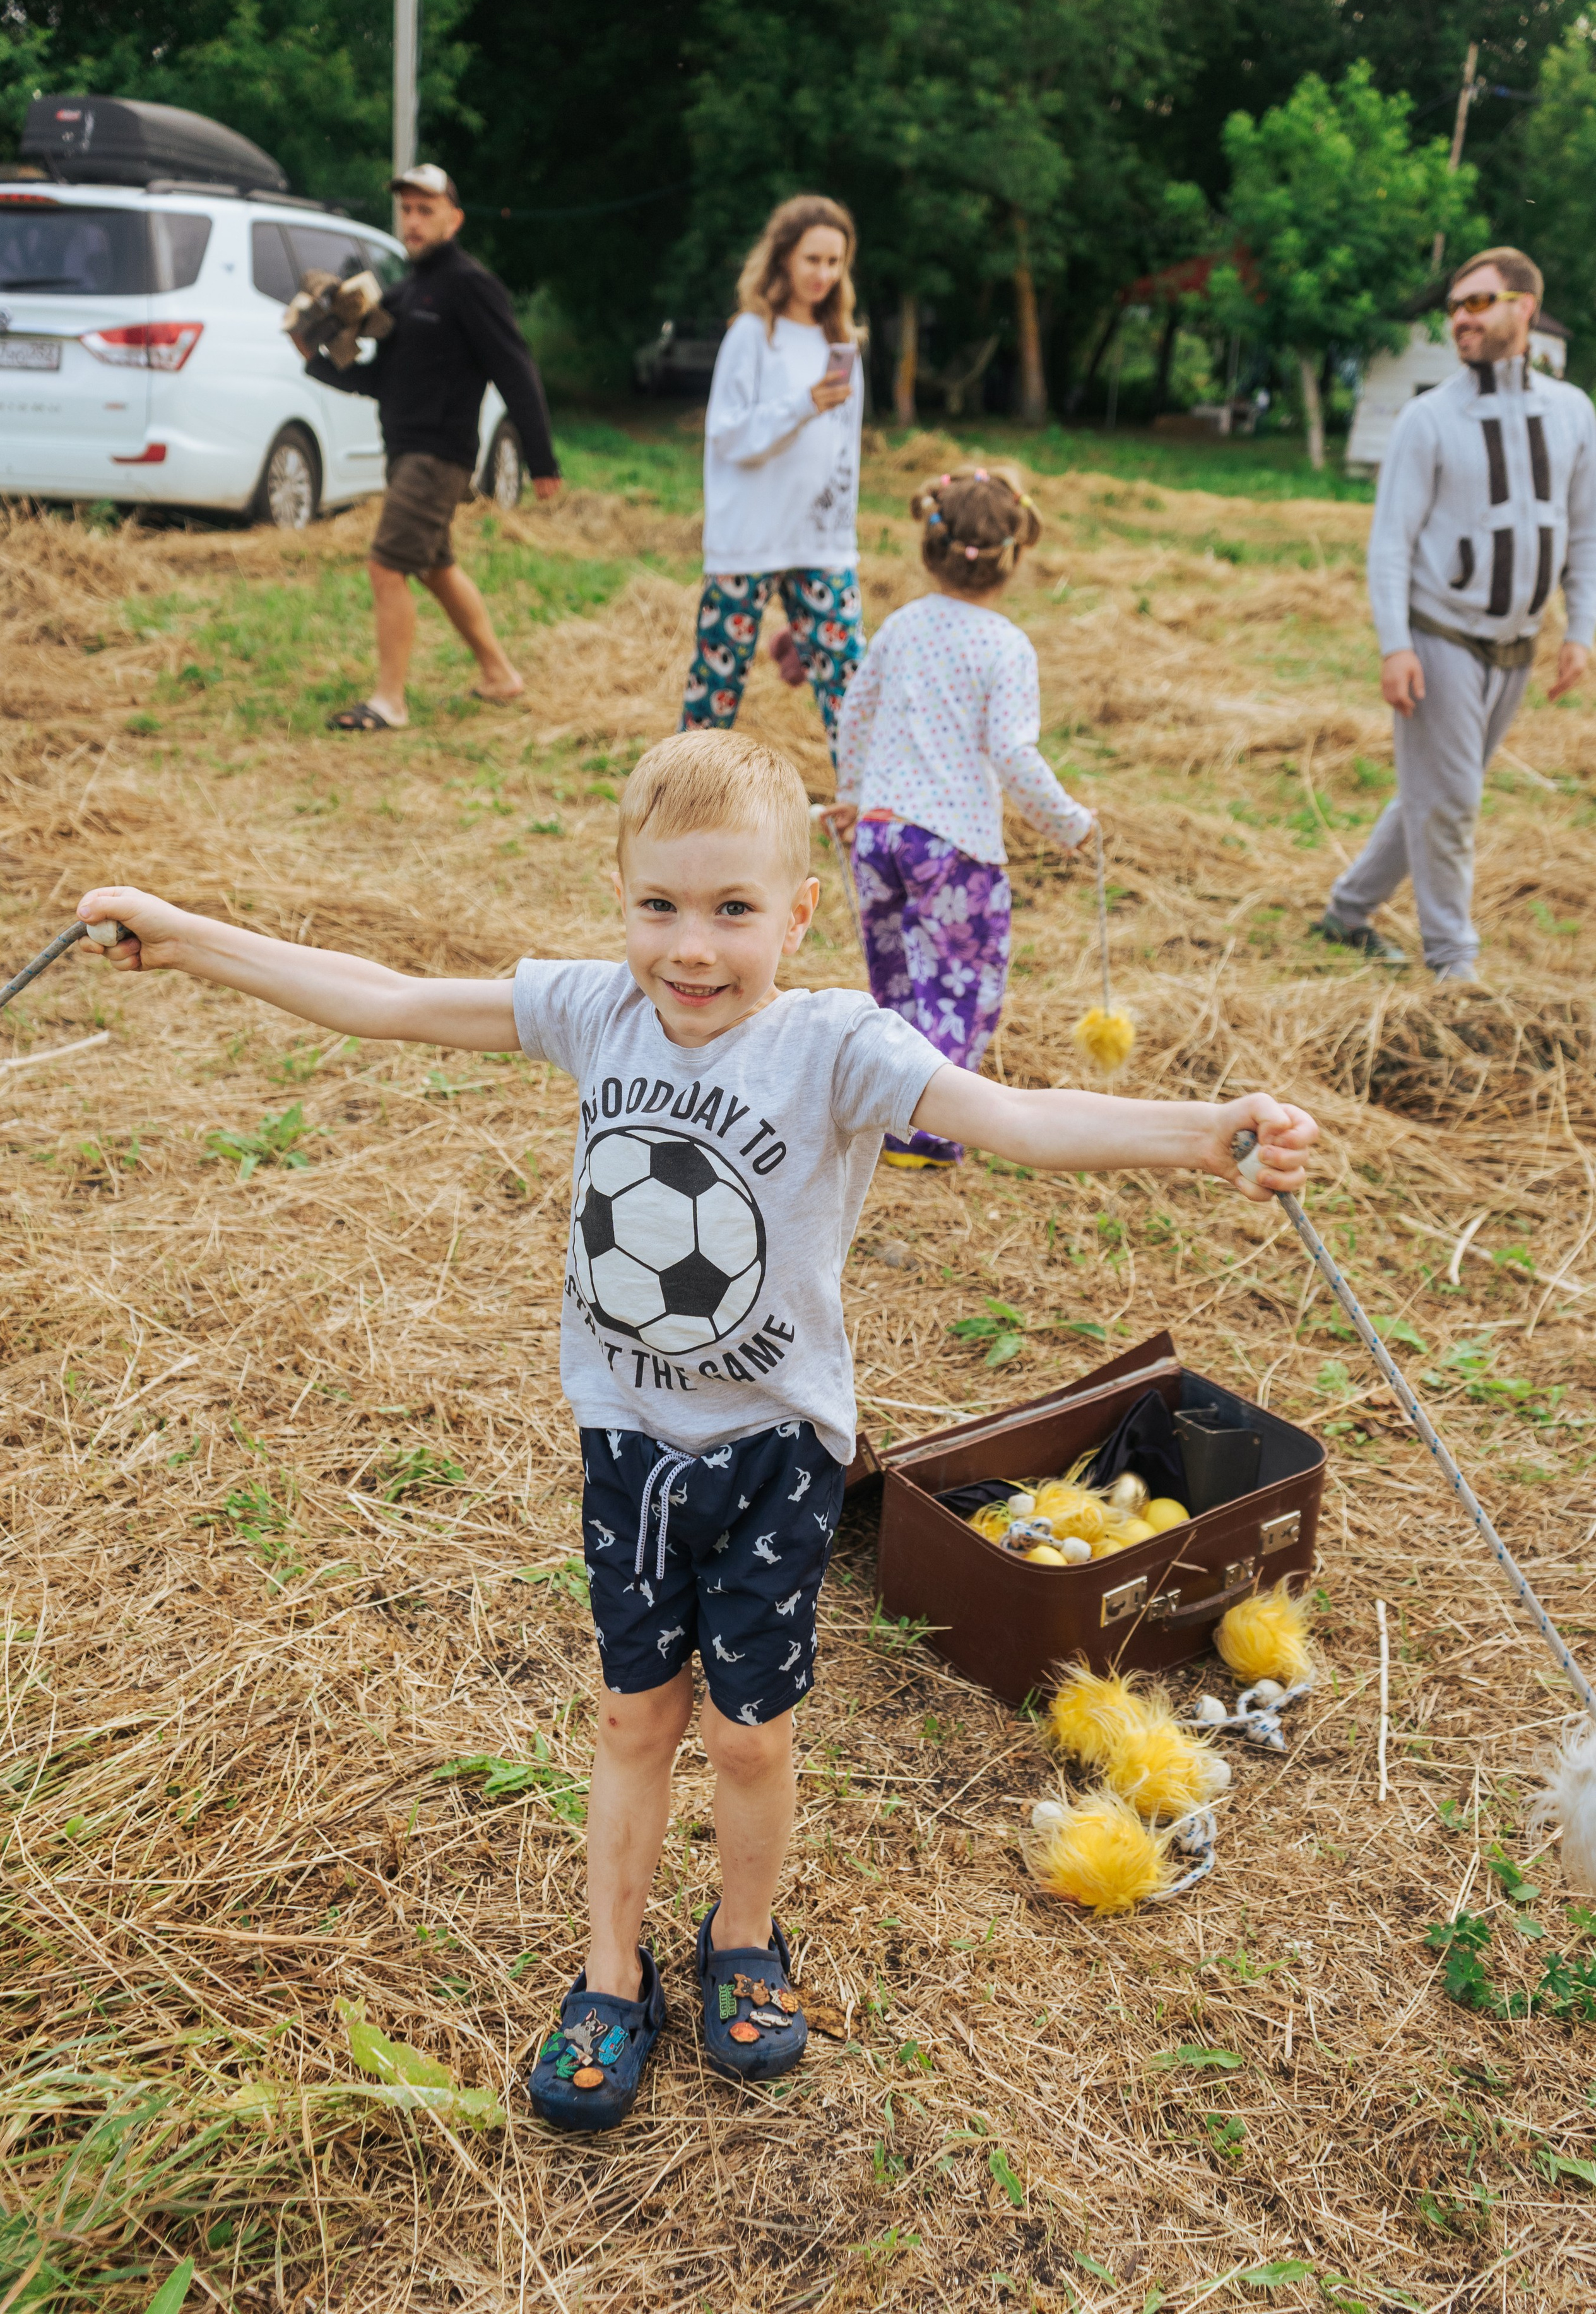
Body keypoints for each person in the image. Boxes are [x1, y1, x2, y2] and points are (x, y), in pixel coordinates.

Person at [74, 734, 1319, 2133]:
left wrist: (1202, 1130)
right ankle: (611, 1974)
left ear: (797, 912)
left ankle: (741, 1943)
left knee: (743, 1740)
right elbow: (388, 998)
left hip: (775, 1453)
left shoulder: (832, 1043)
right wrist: (187, 940)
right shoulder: (597, 1013)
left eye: (732, 910)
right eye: (658, 906)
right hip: (629, 1445)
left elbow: (1014, 1115)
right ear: (619, 902)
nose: (691, 948)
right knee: (629, 1716)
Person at [1315, 244, 1596, 985]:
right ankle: (1453, 963)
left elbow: (1586, 528)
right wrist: (1394, 644)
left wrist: (1580, 630)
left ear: (1523, 309)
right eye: (1453, 309)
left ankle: (1345, 912)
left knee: (1435, 791)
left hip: (1516, 649)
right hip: (1441, 640)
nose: (1458, 320)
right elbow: (1390, 544)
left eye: (1476, 303)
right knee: (1452, 800)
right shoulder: (1426, 418)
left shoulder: (1572, 412)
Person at [827, 467, 1094, 1170]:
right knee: (958, 985)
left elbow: (853, 713)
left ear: (930, 547)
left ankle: (885, 1111)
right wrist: (1068, 823)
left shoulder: (901, 625)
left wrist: (852, 794)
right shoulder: (1005, 645)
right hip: (953, 847)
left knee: (897, 981)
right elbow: (1011, 751)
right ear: (1014, 555)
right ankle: (925, 1134)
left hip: (880, 832)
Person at [295, 163, 563, 734]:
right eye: (407, 210)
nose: (413, 221)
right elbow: (375, 380)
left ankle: (389, 701)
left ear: (454, 218)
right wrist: (313, 357)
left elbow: (515, 369)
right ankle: (500, 675)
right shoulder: (402, 291)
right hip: (405, 451)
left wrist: (541, 460)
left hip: (439, 454)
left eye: (426, 210)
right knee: (436, 568)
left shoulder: (471, 285)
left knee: (386, 565)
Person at [680, 196, 866, 755]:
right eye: (813, 259)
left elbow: (843, 451)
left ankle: (868, 817)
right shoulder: (752, 335)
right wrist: (802, 403)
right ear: (783, 257)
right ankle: (684, 808)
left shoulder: (841, 341)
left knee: (849, 684)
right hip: (750, 538)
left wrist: (840, 525)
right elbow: (729, 435)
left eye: (835, 263)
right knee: (717, 685)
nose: (824, 274)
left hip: (820, 542)